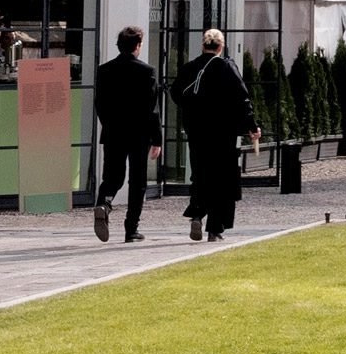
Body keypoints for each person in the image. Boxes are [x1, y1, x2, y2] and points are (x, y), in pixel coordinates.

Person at [173, 28, 259, 241]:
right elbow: (242, 98)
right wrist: (251, 125)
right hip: (223, 132)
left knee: (200, 174)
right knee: (223, 178)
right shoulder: (226, 67)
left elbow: (175, 93)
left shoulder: (190, 68)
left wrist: (192, 110)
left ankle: (197, 213)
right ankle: (215, 228)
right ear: (221, 46)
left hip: (197, 131)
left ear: (203, 45)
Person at [93, 27, 163, 243]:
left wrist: (109, 124)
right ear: (138, 46)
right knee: (138, 181)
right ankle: (131, 228)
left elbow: (99, 103)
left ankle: (104, 203)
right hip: (139, 134)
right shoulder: (147, 71)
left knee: (112, 176)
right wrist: (157, 139)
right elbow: (152, 109)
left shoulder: (105, 70)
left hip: (113, 132)